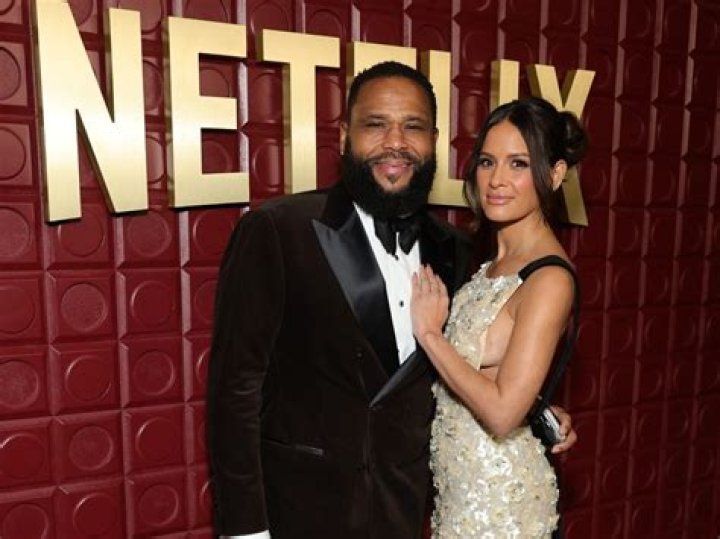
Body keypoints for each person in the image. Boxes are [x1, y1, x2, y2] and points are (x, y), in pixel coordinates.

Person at [206, 63, 576, 539]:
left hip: (403, 511)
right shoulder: (279, 230)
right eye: (376, 124)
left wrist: (536, 412)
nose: (396, 142)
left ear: (434, 141)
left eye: (413, 127)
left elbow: (472, 363)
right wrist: (244, 530)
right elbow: (234, 391)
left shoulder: (456, 250)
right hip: (296, 513)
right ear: (346, 135)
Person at [410, 96, 588, 538]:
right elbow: (495, 371)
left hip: (499, 503)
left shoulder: (549, 278)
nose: (497, 180)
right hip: (461, 495)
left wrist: (431, 335)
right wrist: (538, 405)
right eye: (488, 161)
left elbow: (503, 414)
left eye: (519, 164)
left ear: (555, 174)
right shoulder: (491, 263)